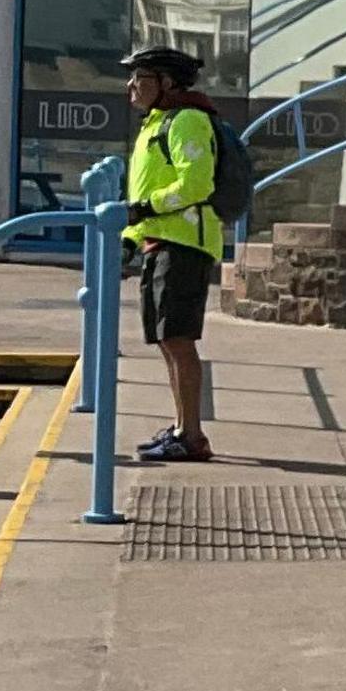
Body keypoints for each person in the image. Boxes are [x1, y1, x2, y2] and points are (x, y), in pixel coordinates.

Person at [118, 45, 225, 467]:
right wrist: (131, 234)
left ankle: (192, 435)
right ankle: (182, 427)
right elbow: (140, 195)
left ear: (166, 83)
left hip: (183, 245)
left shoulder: (188, 121)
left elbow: (196, 184)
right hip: (161, 242)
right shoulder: (156, 124)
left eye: (140, 77)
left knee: (178, 341)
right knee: (167, 341)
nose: (131, 86)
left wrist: (147, 210)